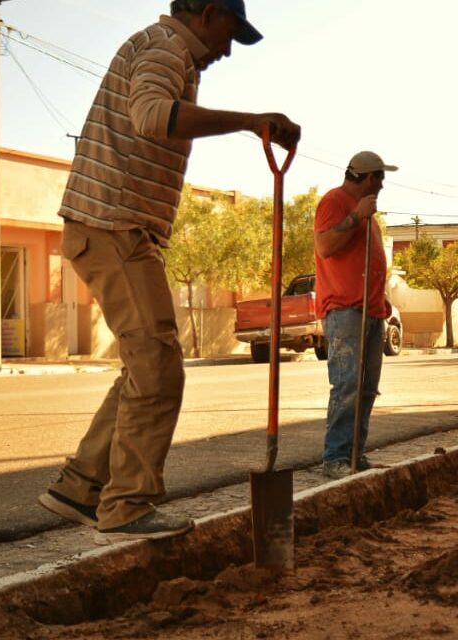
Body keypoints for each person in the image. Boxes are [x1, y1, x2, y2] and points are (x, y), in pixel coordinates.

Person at [38, 0, 300, 543]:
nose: (228, 49)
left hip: (114, 226)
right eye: (230, 31)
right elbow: (153, 116)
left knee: (144, 366)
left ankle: (83, 485)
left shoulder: (163, 51)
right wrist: (251, 122)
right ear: (206, 12)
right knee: (159, 368)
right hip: (114, 225)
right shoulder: (165, 49)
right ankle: (127, 507)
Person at [314, 151, 397, 479]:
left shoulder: (369, 215)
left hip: (371, 310)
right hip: (346, 310)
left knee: (366, 388)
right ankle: (335, 457)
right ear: (362, 176)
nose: (381, 185)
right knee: (348, 385)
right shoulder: (335, 202)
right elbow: (324, 246)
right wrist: (355, 217)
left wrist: (381, 297)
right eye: (378, 178)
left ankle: (354, 454)